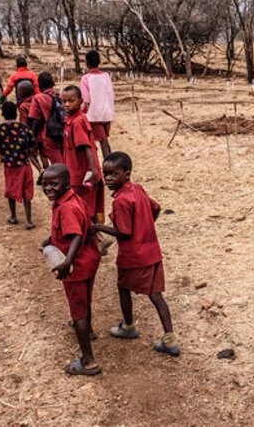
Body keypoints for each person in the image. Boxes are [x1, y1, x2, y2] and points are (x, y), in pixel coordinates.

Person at [91, 151, 180, 357]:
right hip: (152, 251)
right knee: (156, 295)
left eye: (114, 174)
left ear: (127, 174)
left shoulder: (121, 200)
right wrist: (146, 226)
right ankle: (170, 338)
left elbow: (124, 232)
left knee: (123, 287)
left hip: (133, 256)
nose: (109, 179)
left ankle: (129, 327)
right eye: (106, 174)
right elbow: (155, 208)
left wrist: (99, 227)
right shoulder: (138, 190)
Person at [41, 163, 101, 375]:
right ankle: (89, 330)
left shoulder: (65, 207)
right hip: (89, 259)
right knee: (84, 300)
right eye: (45, 184)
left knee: (77, 311)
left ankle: (89, 361)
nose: (48, 188)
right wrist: (52, 238)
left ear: (66, 183)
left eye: (54, 184)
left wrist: (67, 262)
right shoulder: (72, 198)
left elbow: (76, 234)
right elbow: (85, 224)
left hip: (77, 264)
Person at [0, 102, 41, 229]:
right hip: (24, 164)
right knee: (27, 191)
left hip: (10, 166)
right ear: (16, 113)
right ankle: (28, 220)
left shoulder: (0, 128)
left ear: (3, 114)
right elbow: (33, 142)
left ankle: (13, 216)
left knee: (10, 190)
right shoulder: (24, 127)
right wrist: (28, 151)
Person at [61, 85, 104, 224]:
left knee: (83, 209)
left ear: (80, 101)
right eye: (64, 101)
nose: (67, 104)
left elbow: (87, 147)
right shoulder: (70, 120)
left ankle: (98, 238)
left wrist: (93, 171)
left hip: (82, 175)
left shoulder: (78, 122)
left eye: (71, 101)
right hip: (75, 172)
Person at [80, 50, 115, 159]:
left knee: (102, 142)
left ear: (87, 64)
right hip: (107, 113)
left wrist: (82, 111)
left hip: (94, 115)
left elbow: (86, 99)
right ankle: (110, 162)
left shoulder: (86, 78)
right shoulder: (106, 76)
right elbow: (112, 95)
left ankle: (108, 165)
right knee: (105, 140)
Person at [28, 72, 64, 169]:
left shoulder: (38, 98)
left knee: (57, 164)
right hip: (64, 133)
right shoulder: (60, 96)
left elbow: (35, 120)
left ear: (40, 85)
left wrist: (33, 138)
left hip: (50, 135)